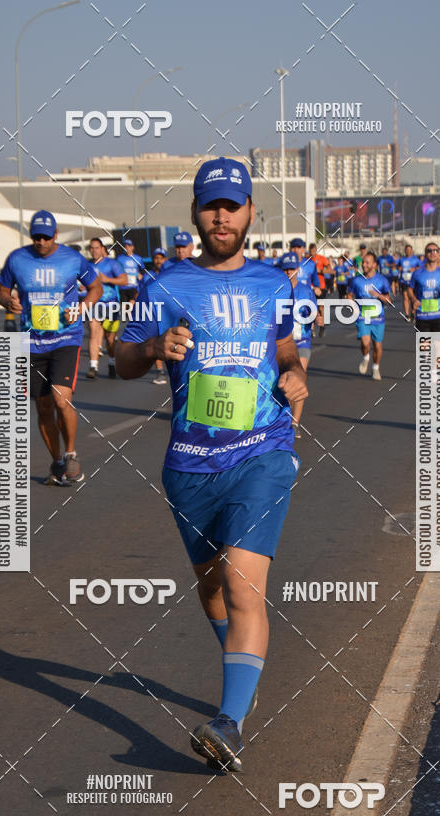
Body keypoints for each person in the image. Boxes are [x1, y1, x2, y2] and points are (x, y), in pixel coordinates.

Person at [116, 157, 307, 772]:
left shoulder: (277, 284)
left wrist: (296, 375)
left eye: (233, 205)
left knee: (243, 583)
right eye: (210, 205)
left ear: (252, 211)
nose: (221, 216)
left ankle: (229, 721)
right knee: (211, 586)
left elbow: (285, 349)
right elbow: (121, 361)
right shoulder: (164, 286)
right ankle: (241, 678)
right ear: (195, 213)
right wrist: (152, 347)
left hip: (263, 451)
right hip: (190, 463)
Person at [0, 210, 102, 485]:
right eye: (36, 237)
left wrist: (81, 308)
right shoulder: (17, 259)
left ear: (55, 235)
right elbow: (2, 290)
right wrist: (8, 302)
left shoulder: (72, 258)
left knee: (60, 398)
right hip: (30, 342)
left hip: (66, 338)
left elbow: (96, 288)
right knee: (43, 407)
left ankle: (70, 453)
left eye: (46, 236)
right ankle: (56, 462)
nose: (41, 241)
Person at [86, 238, 128, 379]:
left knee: (110, 339)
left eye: (96, 248)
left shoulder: (112, 264)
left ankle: (111, 361)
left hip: (111, 305)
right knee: (94, 331)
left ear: (102, 249)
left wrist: (108, 280)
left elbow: (125, 280)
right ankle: (93, 367)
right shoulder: (87, 265)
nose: (94, 251)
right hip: (94, 303)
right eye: (91, 248)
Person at [280, 251, 312, 436]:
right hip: (281, 344)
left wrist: (316, 318)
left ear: (298, 270)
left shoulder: (306, 291)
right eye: (285, 269)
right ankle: (283, 418)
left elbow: (314, 313)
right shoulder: (277, 290)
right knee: (283, 383)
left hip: (302, 342)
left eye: (292, 268)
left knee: (298, 377)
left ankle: (294, 422)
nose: (288, 272)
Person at [347, 251, 391, 380]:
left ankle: (376, 367)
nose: (364, 265)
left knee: (377, 346)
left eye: (367, 262)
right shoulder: (356, 281)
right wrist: (352, 305)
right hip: (362, 317)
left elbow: (388, 300)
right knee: (365, 343)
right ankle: (366, 357)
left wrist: (378, 295)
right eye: (363, 262)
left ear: (375, 264)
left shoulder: (382, 280)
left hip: (378, 318)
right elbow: (349, 295)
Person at [409, 243, 440, 332]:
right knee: (424, 346)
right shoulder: (417, 273)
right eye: (429, 251)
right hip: (422, 315)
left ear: (438, 254)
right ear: (425, 254)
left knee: (438, 345)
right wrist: (414, 299)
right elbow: (410, 289)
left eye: (435, 251)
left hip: (439, 315)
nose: (432, 253)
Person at [143, 247, 169, 383]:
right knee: (155, 340)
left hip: (169, 312)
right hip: (153, 312)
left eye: (161, 258)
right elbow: (141, 293)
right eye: (156, 258)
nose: (158, 260)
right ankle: (160, 372)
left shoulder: (171, 274)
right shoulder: (148, 275)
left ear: (165, 259)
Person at [115, 238, 144, 308]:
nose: (127, 248)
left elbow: (143, 271)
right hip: (123, 287)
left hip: (134, 287)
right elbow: (116, 271)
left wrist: (140, 275)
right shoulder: (119, 259)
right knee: (125, 309)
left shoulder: (138, 258)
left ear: (133, 247)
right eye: (125, 246)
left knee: (132, 306)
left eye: (129, 246)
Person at [397, 244, 420, 320]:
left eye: (410, 250)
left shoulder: (416, 259)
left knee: (413, 297)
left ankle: (413, 312)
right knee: (405, 297)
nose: (408, 251)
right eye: (407, 250)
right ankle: (406, 314)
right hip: (404, 280)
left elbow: (422, 267)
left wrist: (415, 268)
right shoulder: (402, 259)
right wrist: (399, 268)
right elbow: (398, 267)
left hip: (413, 281)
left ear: (412, 251)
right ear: (405, 251)